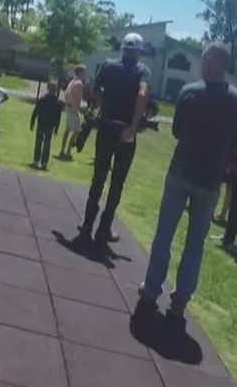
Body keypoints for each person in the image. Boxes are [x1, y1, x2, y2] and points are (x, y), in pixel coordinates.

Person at [139, 44, 237, 317]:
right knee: (196, 242)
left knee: (164, 234)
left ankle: (150, 291)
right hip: (209, 180)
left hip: (181, 172)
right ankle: (180, 300)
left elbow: (178, 131)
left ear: (207, 61)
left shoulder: (190, 92)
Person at [79, 32, 152, 248]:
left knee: (99, 177)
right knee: (116, 184)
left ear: (122, 49)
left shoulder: (109, 66)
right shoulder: (143, 71)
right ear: (138, 51)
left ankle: (86, 225)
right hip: (125, 132)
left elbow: (93, 88)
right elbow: (142, 95)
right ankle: (103, 230)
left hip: (106, 126)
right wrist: (133, 126)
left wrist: (103, 104)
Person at [30, 82, 64, 170]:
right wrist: (32, 122)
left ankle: (43, 162)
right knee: (40, 142)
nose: (52, 91)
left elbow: (58, 116)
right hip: (42, 123)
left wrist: (56, 128)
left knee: (46, 144)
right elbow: (36, 111)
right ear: (48, 89)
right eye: (51, 89)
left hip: (49, 125)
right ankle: (37, 160)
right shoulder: (43, 99)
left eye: (53, 89)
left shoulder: (57, 102)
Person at [59, 65, 87, 159]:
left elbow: (67, 94)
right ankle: (68, 152)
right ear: (80, 73)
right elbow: (77, 98)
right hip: (73, 109)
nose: (85, 74)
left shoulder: (72, 81)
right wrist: (77, 109)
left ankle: (62, 150)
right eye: (84, 72)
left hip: (68, 107)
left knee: (67, 130)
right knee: (76, 131)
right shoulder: (79, 83)